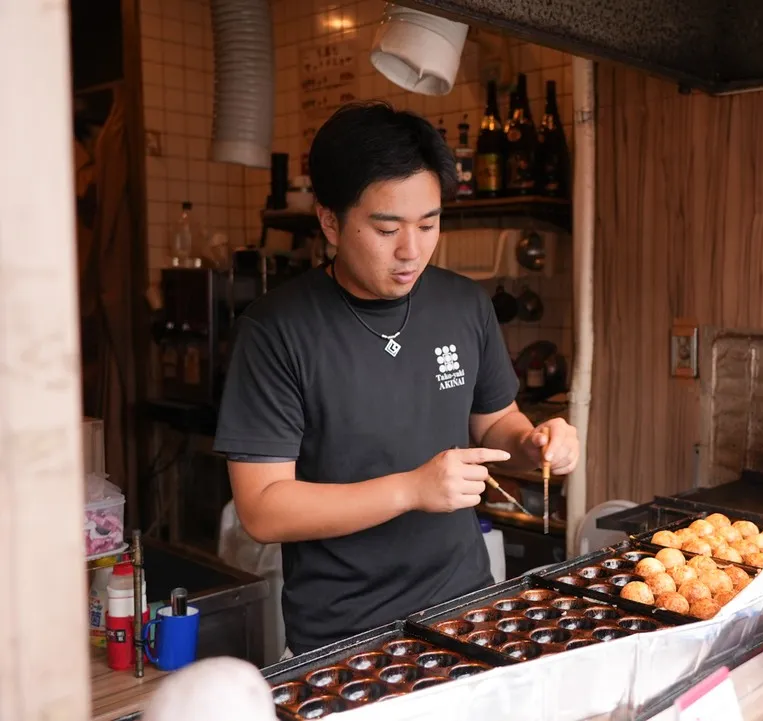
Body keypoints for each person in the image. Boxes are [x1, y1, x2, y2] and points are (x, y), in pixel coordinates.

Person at [213, 101, 580, 657]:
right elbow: (263, 509)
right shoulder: (276, 330)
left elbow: (497, 423)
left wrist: (534, 445)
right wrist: (411, 490)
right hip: (344, 640)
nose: (412, 251)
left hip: (467, 612)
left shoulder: (464, 303)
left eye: (428, 224)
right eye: (387, 228)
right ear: (330, 220)